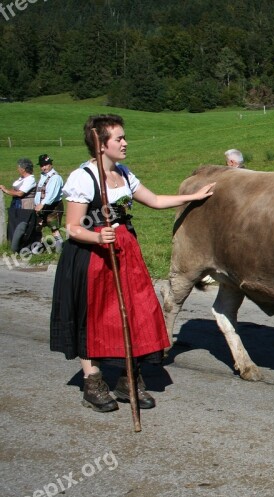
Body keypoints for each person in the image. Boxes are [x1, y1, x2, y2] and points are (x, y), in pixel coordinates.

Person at [50, 114, 215, 413]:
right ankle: (93, 381)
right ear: (101, 144)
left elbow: (153, 200)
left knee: (137, 310)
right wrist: (98, 237)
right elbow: (72, 228)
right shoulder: (82, 178)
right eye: (118, 138)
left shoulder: (123, 174)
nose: (125, 143)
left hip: (126, 254)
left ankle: (128, 379)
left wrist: (194, 197)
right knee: (96, 317)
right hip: (93, 258)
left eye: (124, 137)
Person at [1, 158, 38, 251]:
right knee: (16, 223)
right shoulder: (22, 179)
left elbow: (20, 193)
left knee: (25, 224)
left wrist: (6, 190)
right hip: (18, 203)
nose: (17, 169)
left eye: (18, 167)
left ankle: (26, 246)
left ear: (23, 169)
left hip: (26, 204)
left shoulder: (30, 180)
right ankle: (17, 244)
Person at [34, 154, 65, 247]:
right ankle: (39, 247)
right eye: (42, 165)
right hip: (42, 206)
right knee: (38, 226)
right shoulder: (43, 176)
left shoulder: (55, 177)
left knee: (54, 229)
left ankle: (60, 249)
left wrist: (41, 204)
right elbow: (39, 192)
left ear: (50, 164)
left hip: (53, 207)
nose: (44, 167)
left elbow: (52, 195)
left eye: (46, 165)